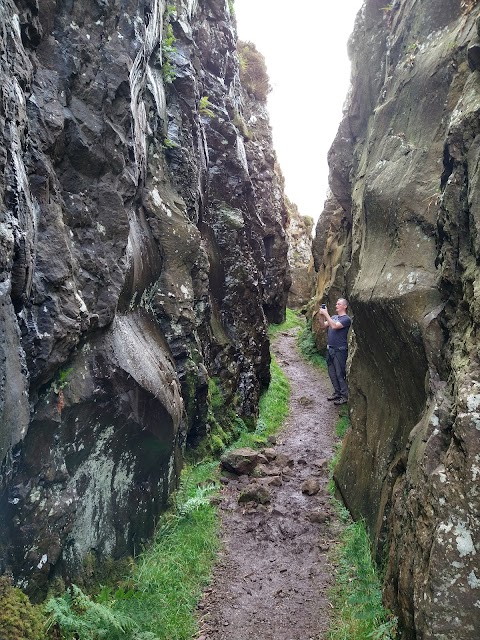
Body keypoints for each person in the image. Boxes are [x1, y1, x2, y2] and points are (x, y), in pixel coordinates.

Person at [318, 298, 351, 405]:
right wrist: (321, 316)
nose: (336, 305)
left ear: (345, 306)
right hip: (330, 349)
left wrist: (326, 313)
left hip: (340, 351)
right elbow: (323, 325)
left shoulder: (346, 319)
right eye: (336, 303)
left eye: (339, 304)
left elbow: (335, 326)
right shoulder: (334, 317)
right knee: (332, 373)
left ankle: (344, 396)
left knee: (339, 373)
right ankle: (337, 393)